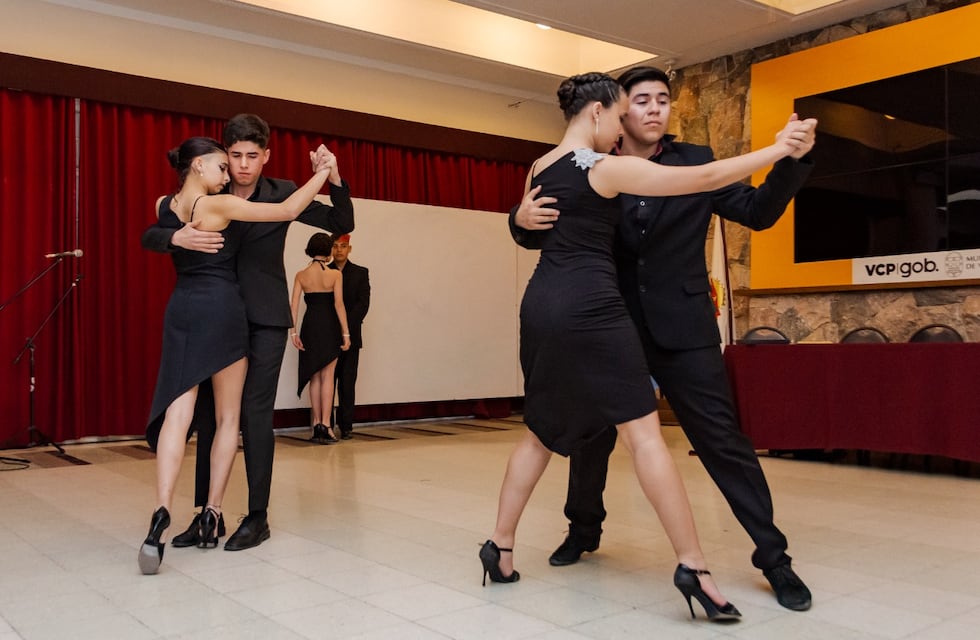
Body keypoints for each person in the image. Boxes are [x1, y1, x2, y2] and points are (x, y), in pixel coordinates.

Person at [481, 72, 814, 622]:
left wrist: (791, 160)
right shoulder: (604, 163)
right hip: (605, 319)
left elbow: (754, 210)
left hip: (661, 323)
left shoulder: (561, 161)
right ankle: (613, 541)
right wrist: (517, 219)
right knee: (610, 441)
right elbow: (541, 221)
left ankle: (773, 558)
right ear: (610, 112)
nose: (655, 110)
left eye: (664, 100)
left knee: (713, 440)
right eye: (639, 102)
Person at [141, 114, 354, 552]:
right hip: (218, 314)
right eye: (233, 156)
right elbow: (154, 232)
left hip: (265, 317)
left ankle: (257, 517)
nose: (241, 165)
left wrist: (332, 176)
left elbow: (340, 221)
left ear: (265, 157)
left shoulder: (279, 191)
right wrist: (175, 241)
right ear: (221, 156)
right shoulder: (210, 192)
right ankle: (207, 514)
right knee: (208, 418)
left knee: (254, 414)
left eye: (251, 156)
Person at [290, 232, 350, 443]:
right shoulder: (335, 275)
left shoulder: (301, 275)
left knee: (314, 376)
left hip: (310, 326)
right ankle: (326, 424)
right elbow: (339, 304)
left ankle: (316, 424)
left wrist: (293, 332)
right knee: (328, 376)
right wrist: (346, 333)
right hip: (329, 326)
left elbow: (294, 306)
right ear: (328, 251)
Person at [327, 234, 370, 440]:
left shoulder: (361, 273)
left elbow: (363, 304)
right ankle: (326, 423)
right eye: (335, 246)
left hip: (351, 335)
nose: (339, 250)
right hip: (328, 334)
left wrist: (346, 328)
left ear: (349, 249)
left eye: (343, 246)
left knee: (347, 381)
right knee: (327, 381)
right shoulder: (325, 271)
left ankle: (346, 426)